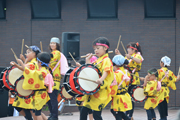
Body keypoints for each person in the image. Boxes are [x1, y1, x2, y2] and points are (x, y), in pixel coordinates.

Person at [80, 37, 114, 120]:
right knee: (83, 111)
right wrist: (87, 60)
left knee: (96, 114)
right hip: (93, 90)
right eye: (95, 49)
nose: (96, 51)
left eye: (98, 48)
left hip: (101, 91)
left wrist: (101, 80)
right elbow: (90, 70)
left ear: (105, 48)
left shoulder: (106, 60)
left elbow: (107, 71)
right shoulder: (98, 60)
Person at [16, 52, 53, 120]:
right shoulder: (45, 70)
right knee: (36, 111)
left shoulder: (41, 72)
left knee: (37, 113)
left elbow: (29, 73)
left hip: (40, 94)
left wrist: (21, 63)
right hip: (42, 94)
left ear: (40, 63)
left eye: (37, 62)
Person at [10, 46, 41, 120]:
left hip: (29, 88)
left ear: (34, 54)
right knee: (20, 106)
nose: (26, 54)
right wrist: (24, 60)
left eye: (28, 52)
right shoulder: (32, 62)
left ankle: (28, 118)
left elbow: (24, 68)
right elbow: (25, 67)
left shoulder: (34, 62)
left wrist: (17, 64)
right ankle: (28, 118)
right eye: (26, 52)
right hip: (26, 87)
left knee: (27, 107)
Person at [115, 42, 143, 120]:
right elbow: (123, 62)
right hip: (127, 78)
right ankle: (127, 114)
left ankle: (130, 115)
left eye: (129, 49)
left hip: (133, 79)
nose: (127, 50)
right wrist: (119, 54)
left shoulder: (137, 55)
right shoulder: (128, 57)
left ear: (133, 50)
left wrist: (130, 57)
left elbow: (139, 61)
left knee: (131, 98)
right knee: (127, 97)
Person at [110, 55, 132, 120]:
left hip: (118, 97)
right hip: (124, 94)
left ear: (114, 64)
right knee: (117, 112)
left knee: (117, 114)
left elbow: (113, 86)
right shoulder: (126, 72)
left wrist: (110, 94)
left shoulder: (116, 74)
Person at [48, 37, 61, 120]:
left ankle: (55, 116)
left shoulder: (57, 53)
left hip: (55, 78)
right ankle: (52, 114)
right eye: (51, 43)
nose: (52, 44)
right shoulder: (52, 52)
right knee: (49, 97)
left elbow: (52, 60)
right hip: (50, 78)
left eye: (54, 43)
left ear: (57, 45)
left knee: (53, 98)